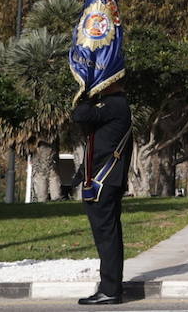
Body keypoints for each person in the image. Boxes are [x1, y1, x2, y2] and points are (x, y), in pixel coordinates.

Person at [73, 83, 132, 306]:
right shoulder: (113, 105)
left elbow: (79, 114)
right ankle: (111, 286)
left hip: (104, 182)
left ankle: (110, 289)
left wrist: (86, 92)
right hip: (102, 181)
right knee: (108, 236)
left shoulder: (115, 104)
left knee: (108, 238)